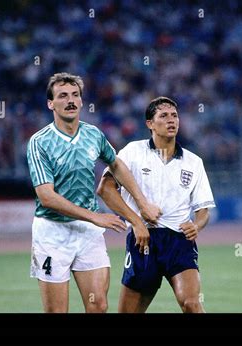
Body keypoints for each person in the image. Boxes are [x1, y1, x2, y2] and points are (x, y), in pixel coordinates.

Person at [26, 73, 160, 313]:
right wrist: (94, 216)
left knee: (98, 304)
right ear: (50, 104)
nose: (70, 100)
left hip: (88, 233)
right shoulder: (39, 142)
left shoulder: (93, 134)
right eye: (63, 96)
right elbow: (46, 196)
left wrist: (142, 203)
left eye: (75, 95)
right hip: (52, 232)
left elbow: (116, 164)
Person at [97, 96, 216, 313]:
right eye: (164, 116)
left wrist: (196, 226)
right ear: (150, 124)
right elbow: (105, 190)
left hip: (179, 242)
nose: (172, 120)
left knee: (191, 303)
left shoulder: (194, 162)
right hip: (143, 240)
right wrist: (136, 222)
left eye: (175, 116)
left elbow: (203, 210)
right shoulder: (133, 152)